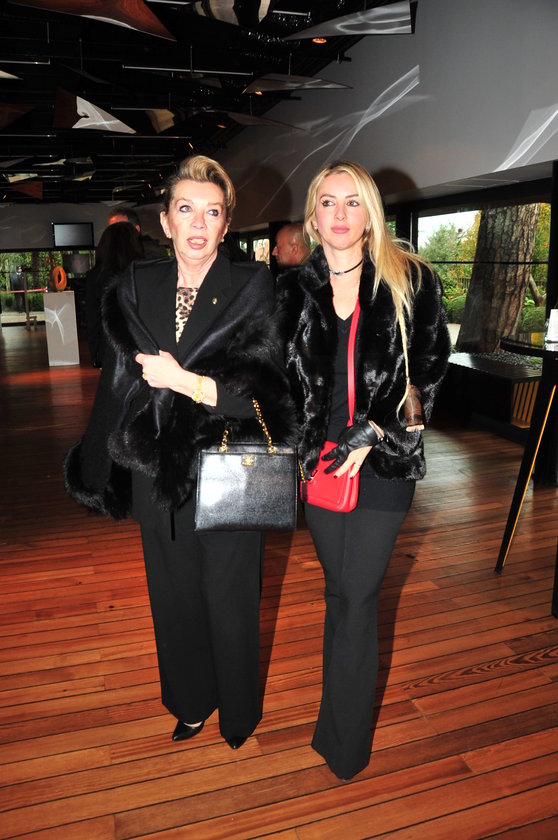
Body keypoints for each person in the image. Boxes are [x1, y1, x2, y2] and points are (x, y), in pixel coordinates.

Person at [64, 155, 294, 751]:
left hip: (228, 467)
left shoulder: (252, 286)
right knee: (174, 599)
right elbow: (117, 381)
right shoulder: (138, 285)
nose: (198, 223)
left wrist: (185, 382)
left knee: (231, 599)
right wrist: (97, 467)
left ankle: (237, 712)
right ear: (164, 221)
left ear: (226, 225)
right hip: (156, 470)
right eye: (185, 209)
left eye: (212, 212)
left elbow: (265, 396)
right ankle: (190, 702)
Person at [273, 160, 450, 780]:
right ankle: (334, 724)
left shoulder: (411, 280)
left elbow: (429, 369)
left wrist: (373, 430)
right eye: (328, 202)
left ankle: (345, 747)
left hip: (383, 464)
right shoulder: (292, 291)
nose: (341, 213)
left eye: (353, 201)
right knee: (339, 591)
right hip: (322, 467)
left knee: (357, 595)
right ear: (313, 217)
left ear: (370, 212)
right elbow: (271, 379)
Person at [85, 221, 144, 367]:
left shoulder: (95, 277)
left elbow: (93, 319)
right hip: (142, 348)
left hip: (109, 348)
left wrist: (96, 355)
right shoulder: (142, 273)